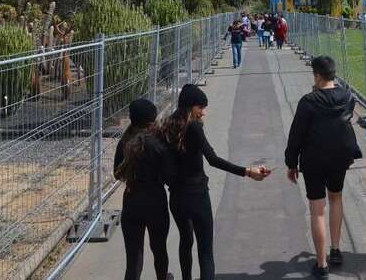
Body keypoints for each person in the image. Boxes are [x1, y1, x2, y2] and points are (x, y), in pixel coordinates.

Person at [160, 85, 269, 280]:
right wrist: (248, 172)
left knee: (185, 241)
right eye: (200, 107)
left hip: (177, 197)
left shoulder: (167, 126)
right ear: (191, 107)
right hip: (197, 196)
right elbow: (213, 159)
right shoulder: (193, 127)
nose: (203, 112)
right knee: (205, 250)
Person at [285, 56, 361, 278]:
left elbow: (296, 135)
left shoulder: (308, 101)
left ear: (317, 75)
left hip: (314, 160)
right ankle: (336, 249)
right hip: (340, 157)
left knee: (317, 210)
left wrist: (291, 163)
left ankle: (322, 264)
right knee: (336, 197)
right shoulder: (347, 96)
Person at [114, 99, 176, 280]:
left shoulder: (124, 142)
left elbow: (117, 174)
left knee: (133, 258)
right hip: (155, 201)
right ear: (151, 120)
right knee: (159, 250)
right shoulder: (157, 144)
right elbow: (169, 177)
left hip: (131, 200)